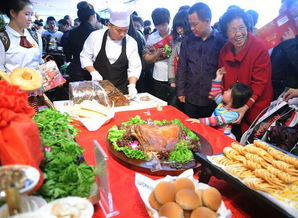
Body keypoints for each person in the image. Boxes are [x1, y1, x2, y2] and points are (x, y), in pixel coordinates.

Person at [218, 7, 273, 135]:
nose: (238, 34)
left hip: (255, 105)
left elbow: (260, 83)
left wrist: (245, 107)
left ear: (247, 26)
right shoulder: (225, 50)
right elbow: (222, 77)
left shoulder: (259, 48)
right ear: (226, 33)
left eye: (241, 27)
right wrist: (222, 101)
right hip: (233, 106)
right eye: (233, 30)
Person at [176, 2, 226, 119]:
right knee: (189, 130)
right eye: (190, 24)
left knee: (207, 132)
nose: (192, 28)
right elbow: (182, 66)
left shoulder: (221, 42)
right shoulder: (187, 41)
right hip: (190, 96)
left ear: (207, 21)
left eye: (195, 24)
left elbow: (224, 70)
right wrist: (180, 91)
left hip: (212, 99)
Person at [80, 5, 141, 98]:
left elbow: (134, 67)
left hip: (122, 90)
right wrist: (93, 72)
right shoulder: (95, 37)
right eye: (119, 30)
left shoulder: (131, 42)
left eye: (126, 30)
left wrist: (132, 85)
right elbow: (85, 56)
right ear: (109, 25)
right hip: (98, 89)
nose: (122, 34)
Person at [186, 68, 252, 138]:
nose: (225, 91)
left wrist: (200, 121)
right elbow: (216, 93)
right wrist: (219, 77)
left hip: (221, 136)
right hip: (212, 131)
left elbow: (216, 120)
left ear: (234, 99)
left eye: (229, 91)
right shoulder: (222, 104)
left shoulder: (233, 114)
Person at [0, 0, 43, 73]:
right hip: (13, 83)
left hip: (36, 83)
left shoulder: (35, 36)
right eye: (27, 14)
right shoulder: (3, 38)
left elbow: (39, 61)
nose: (30, 19)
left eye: (31, 15)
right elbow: (1, 69)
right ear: (13, 13)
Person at [63, 3, 97, 82]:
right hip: (90, 71)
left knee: (75, 93)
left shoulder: (71, 32)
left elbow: (67, 52)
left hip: (75, 69)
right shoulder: (95, 33)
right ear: (92, 17)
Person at [271, 0, 298, 99]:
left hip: (291, 92)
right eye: (281, 10)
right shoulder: (279, 32)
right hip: (273, 87)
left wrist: (290, 43)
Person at [143, 8, 171, 102]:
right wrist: (157, 54)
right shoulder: (151, 37)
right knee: (160, 103)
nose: (161, 28)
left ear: (168, 21)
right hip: (158, 76)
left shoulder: (175, 35)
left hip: (175, 77)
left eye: (163, 24)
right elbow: (146, 59)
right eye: (158, 25)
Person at [168, 10, 191, 109]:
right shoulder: (177, 42)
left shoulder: (195, 41)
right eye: (177, 27)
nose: (179, 30)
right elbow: (171, 62)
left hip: (191, 84)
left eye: (182, 27)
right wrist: (172, 81)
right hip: (178, 82)